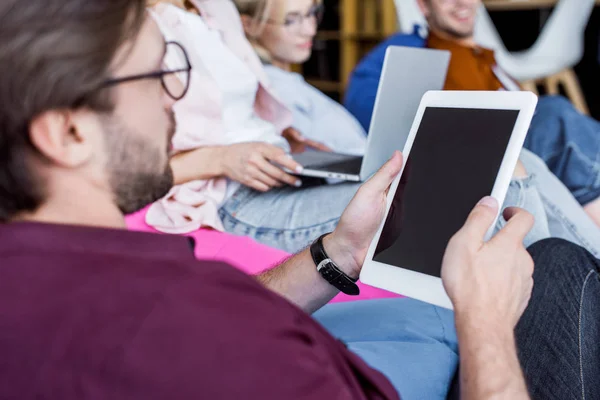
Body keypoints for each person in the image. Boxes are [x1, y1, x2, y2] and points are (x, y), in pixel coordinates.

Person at [3, 1, 600, 400]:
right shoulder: (173, 327)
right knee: (558, 267)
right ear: (68, 132)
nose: (172, 102)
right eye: (156, 76)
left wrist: (336, 252)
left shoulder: (57, 280)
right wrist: (486, 325)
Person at [144, 0, 550, 254]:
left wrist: (287, 137)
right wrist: (222, 158)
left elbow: (234, 110)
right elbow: (113, 171)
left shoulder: (211, 9)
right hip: (234, 198)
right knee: (461, 199)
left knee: (516, 159)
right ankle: (565, 302)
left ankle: (581, 278)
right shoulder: (135, 31)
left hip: (286, 171)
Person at [230, 0, 600, 257]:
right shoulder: (262, 83)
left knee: (540, 144)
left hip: (379, 157)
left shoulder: (478, 54)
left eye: (312, 14)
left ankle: (584, 269)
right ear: (424, 8)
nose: (309, 27)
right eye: (292, 19)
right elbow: (365, 108)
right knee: (551, 121)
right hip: (393, 159)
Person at [344, 0, 600, 227]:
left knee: (562, 125)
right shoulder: (416, 46)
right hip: (482, 152)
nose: (462, 3)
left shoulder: (483, 54)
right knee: (554, 114)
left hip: (524, 149)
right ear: (424, 7)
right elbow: (363, 98)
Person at [235, 0, 367, 155]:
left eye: (311, 13)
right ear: (249, 25)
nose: (310, 30)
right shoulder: (269, 90)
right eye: (290, 21)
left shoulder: (286, 81)